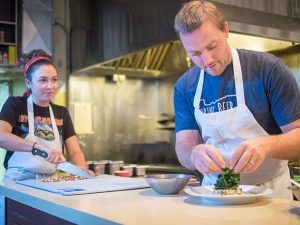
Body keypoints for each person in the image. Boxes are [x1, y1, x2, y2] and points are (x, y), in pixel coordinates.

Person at [173, 0, 300, 199]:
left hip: (270, 193)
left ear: (225, 30)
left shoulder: (268, 70)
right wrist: (194, 154)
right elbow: (184, 146)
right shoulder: (185, 86)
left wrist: (265, 146)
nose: (207, 61)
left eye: (212, 46)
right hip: (212, 195)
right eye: (195, 54)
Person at [0, 49, 90, 182]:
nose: (50, 86)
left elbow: (75, 151)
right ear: (28, 83)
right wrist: (37, 147)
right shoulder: (16, 105)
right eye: (43, 80)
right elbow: (1, 137)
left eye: (54, 80)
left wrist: (81, 169)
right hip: (19, 180)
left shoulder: (61, 113)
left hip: (50, 181)